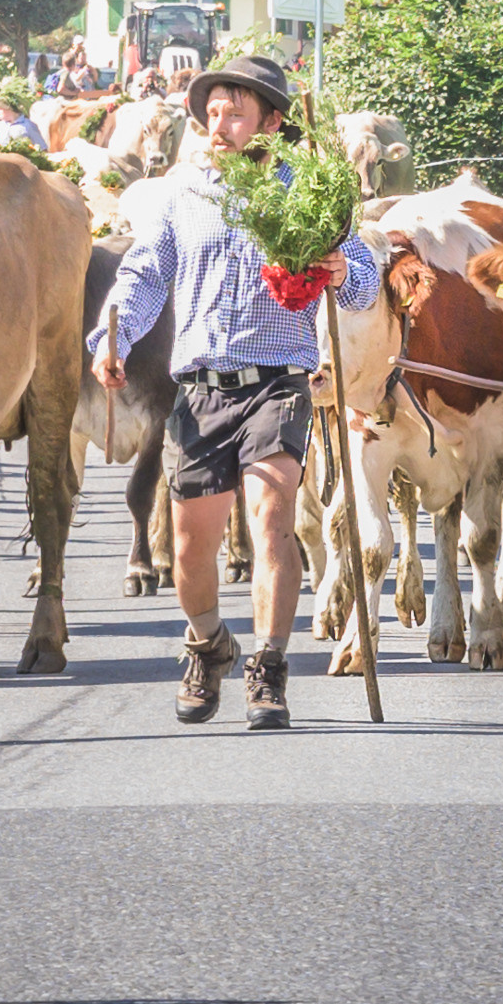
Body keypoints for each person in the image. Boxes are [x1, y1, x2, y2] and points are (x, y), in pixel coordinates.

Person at [90, 54, 378, 732]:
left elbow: (364, 281)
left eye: (235, 113)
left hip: (279, 381)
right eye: (212, 112)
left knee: (272, 512)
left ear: (271, 121)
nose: (218, 125)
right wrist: (112, 338)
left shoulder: (308, 194)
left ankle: (269, 666)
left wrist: (341, 267)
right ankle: (208, 642)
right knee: (191, 549)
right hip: (199, 389)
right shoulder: (179, 195)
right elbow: (143, 276)